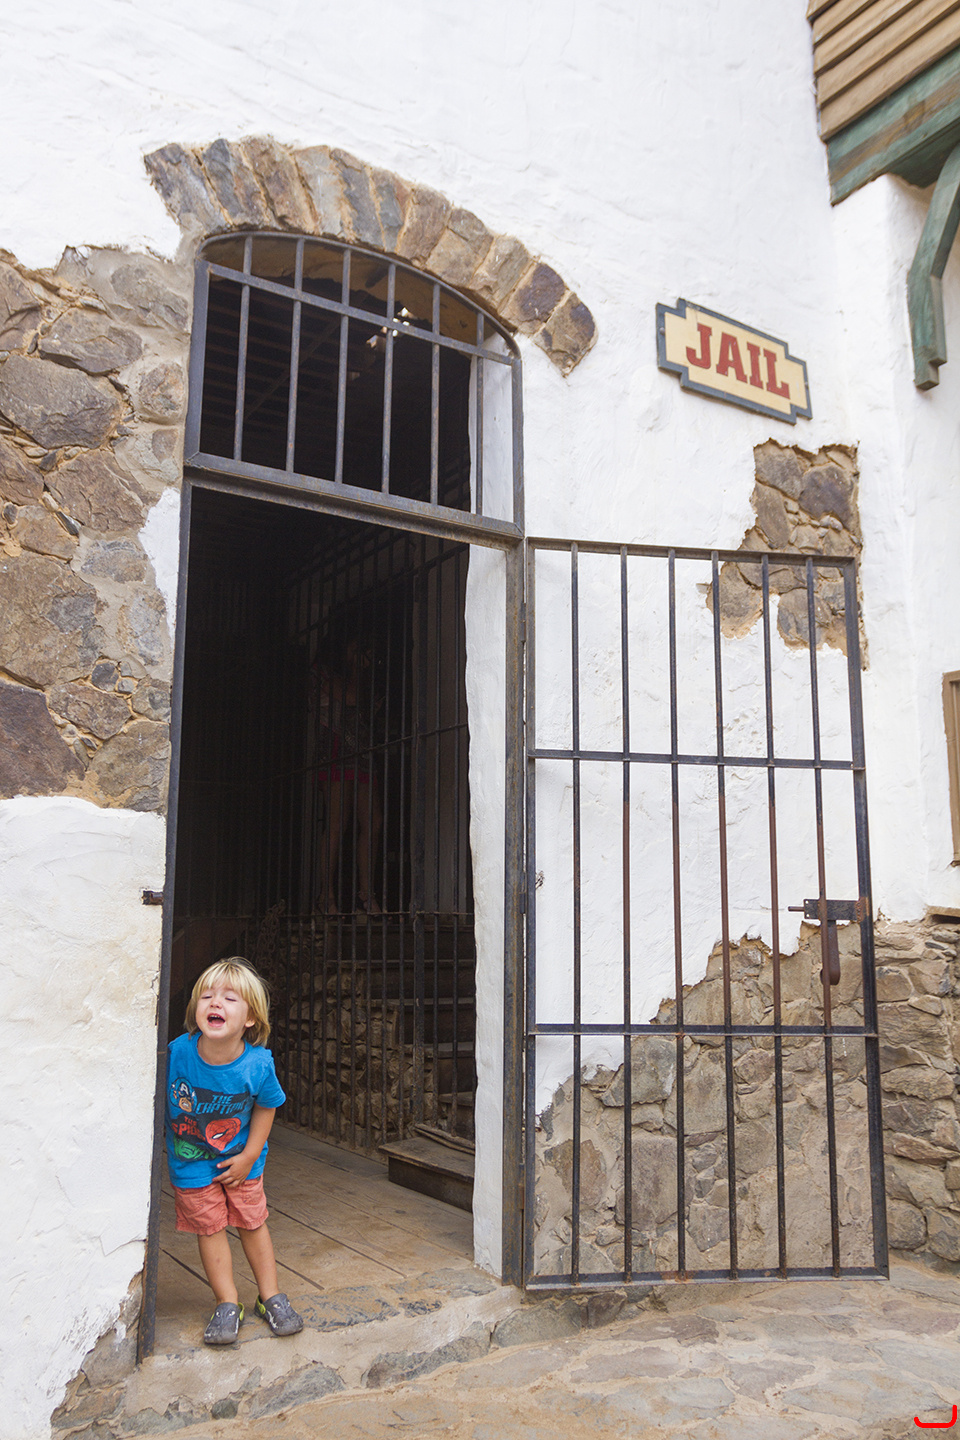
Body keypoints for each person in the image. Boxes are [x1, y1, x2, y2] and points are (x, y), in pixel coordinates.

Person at [165, 958, 304, 1346]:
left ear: (250, 1019)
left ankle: (270, 1295)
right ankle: (227, 1302)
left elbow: (267, 1105)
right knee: (209, 1228)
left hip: (241, 1160)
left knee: (252, 1221)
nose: (215, 1003)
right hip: (191, 1162)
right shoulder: (177, 1053)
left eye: (229, 998)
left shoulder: (257, 1064)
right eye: (207, 996)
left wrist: (249, 1156)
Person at [313, 623, 383, 914]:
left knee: (374, 821)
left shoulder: (366, 678)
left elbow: (369, 707)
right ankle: (325, 895)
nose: (360, 656)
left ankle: (366, 896)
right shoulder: (322, 673)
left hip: (362, 752)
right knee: (337, 822)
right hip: (336, 751)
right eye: (355, 649)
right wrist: (358, 671)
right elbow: (351, 698)